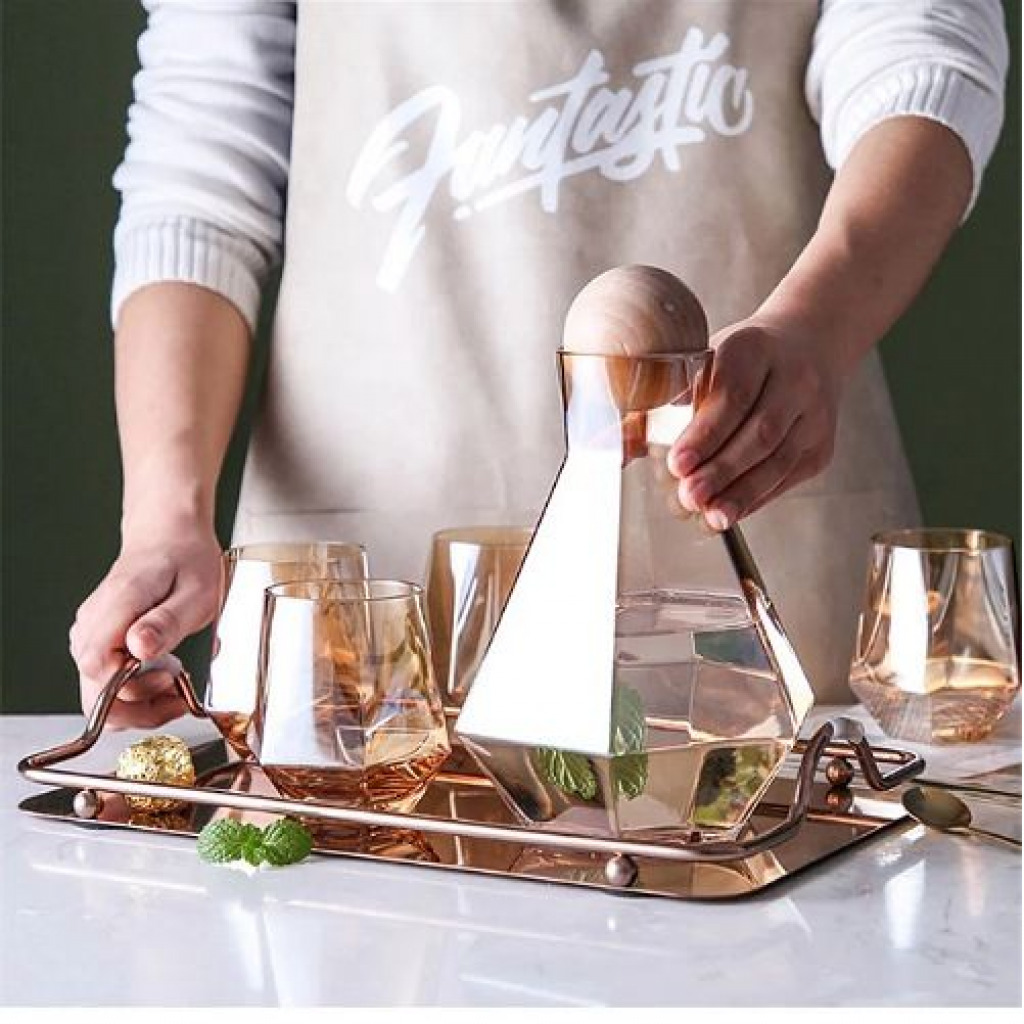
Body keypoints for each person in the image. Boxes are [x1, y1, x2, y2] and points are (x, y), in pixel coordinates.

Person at [70, 0, 1008, 728]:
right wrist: (164, 516)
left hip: (752, 553)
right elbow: (203, 162)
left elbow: (922, 51)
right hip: (370, 615)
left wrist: (820, 326)